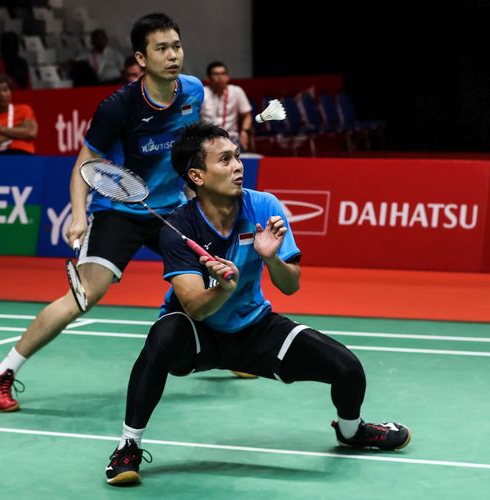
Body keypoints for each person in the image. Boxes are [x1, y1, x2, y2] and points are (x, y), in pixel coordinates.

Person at [104, 123, 411, 485]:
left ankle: (351, 431)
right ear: (196, 175)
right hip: (197, 333)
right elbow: (193, 307)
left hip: (254, 328)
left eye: (237, 156)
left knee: (348, 368)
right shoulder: (178, 227)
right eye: (225, 159)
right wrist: (223, 288)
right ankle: (129, 446)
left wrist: (272, 259)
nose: (238, 165)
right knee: (162, 337)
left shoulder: (263, 205)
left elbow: (290, 286)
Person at [0, 13, 202, 412]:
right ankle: (3, 372)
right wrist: (79, 214)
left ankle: (227, 338)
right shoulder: (118, 107)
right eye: (161, 48)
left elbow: (185, 145)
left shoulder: (192, 92)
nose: (172, 55)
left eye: (177, 46)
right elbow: (85, 163)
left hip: (169, 208)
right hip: (119, 210)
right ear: (141, 57)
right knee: (83, 297)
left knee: (210, 269)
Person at [0, 74, 38, 155]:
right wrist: (20, 131)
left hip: (23, 154)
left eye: (5, 90)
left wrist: (2, 130)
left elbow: (31, 133)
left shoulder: (24, 109)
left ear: (11, 93)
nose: (2, 95)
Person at [200, 61, 253, 150]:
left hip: (231, 139)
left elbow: (247, 115)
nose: (220, 77)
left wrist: (244, 131)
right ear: (208, 78)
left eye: (223, 74)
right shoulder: (202, 93)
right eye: (215, 74)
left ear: (228, 77)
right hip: (207, 139)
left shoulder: (236, 91)